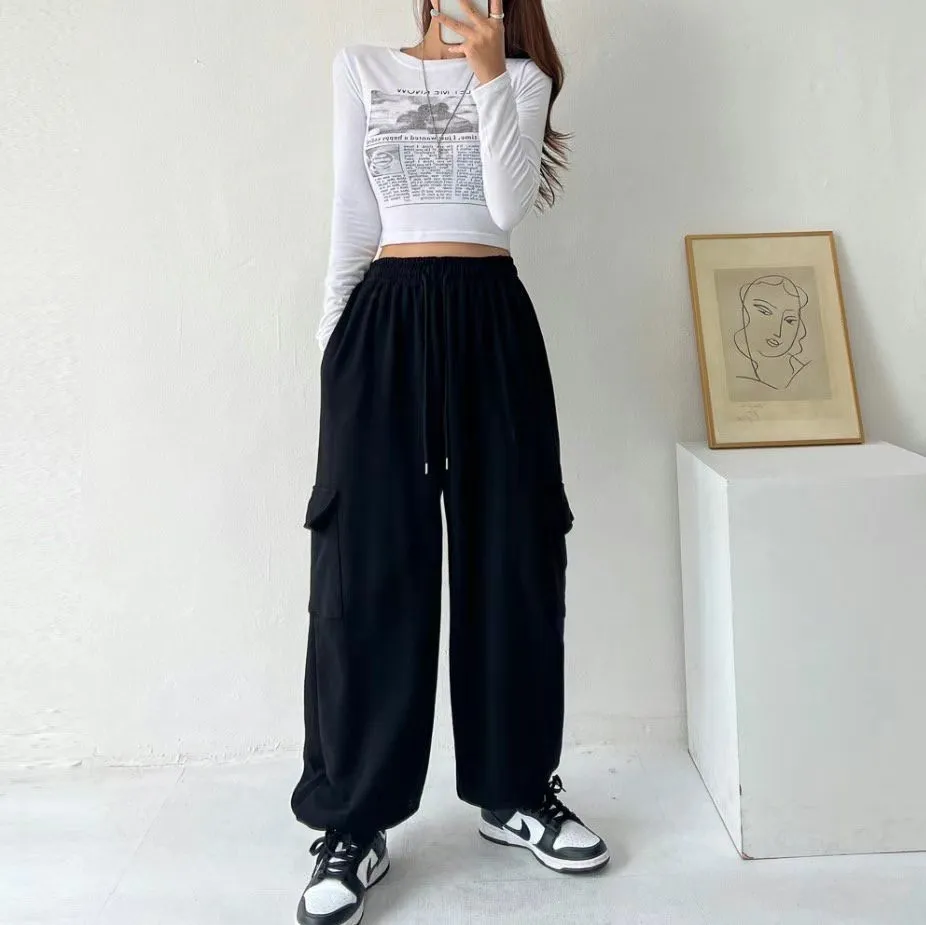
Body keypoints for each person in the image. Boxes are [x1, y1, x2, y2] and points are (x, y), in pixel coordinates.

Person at [291, 1, 609, 922]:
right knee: (365, 572)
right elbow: (353, 219)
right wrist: (334, 355)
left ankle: (515, 792)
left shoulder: (523, 78)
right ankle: (354, 820)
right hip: (382, 323)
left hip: (491, 320)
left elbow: (507, 207)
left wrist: (489, 72)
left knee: (514, 558)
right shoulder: (362, 68)